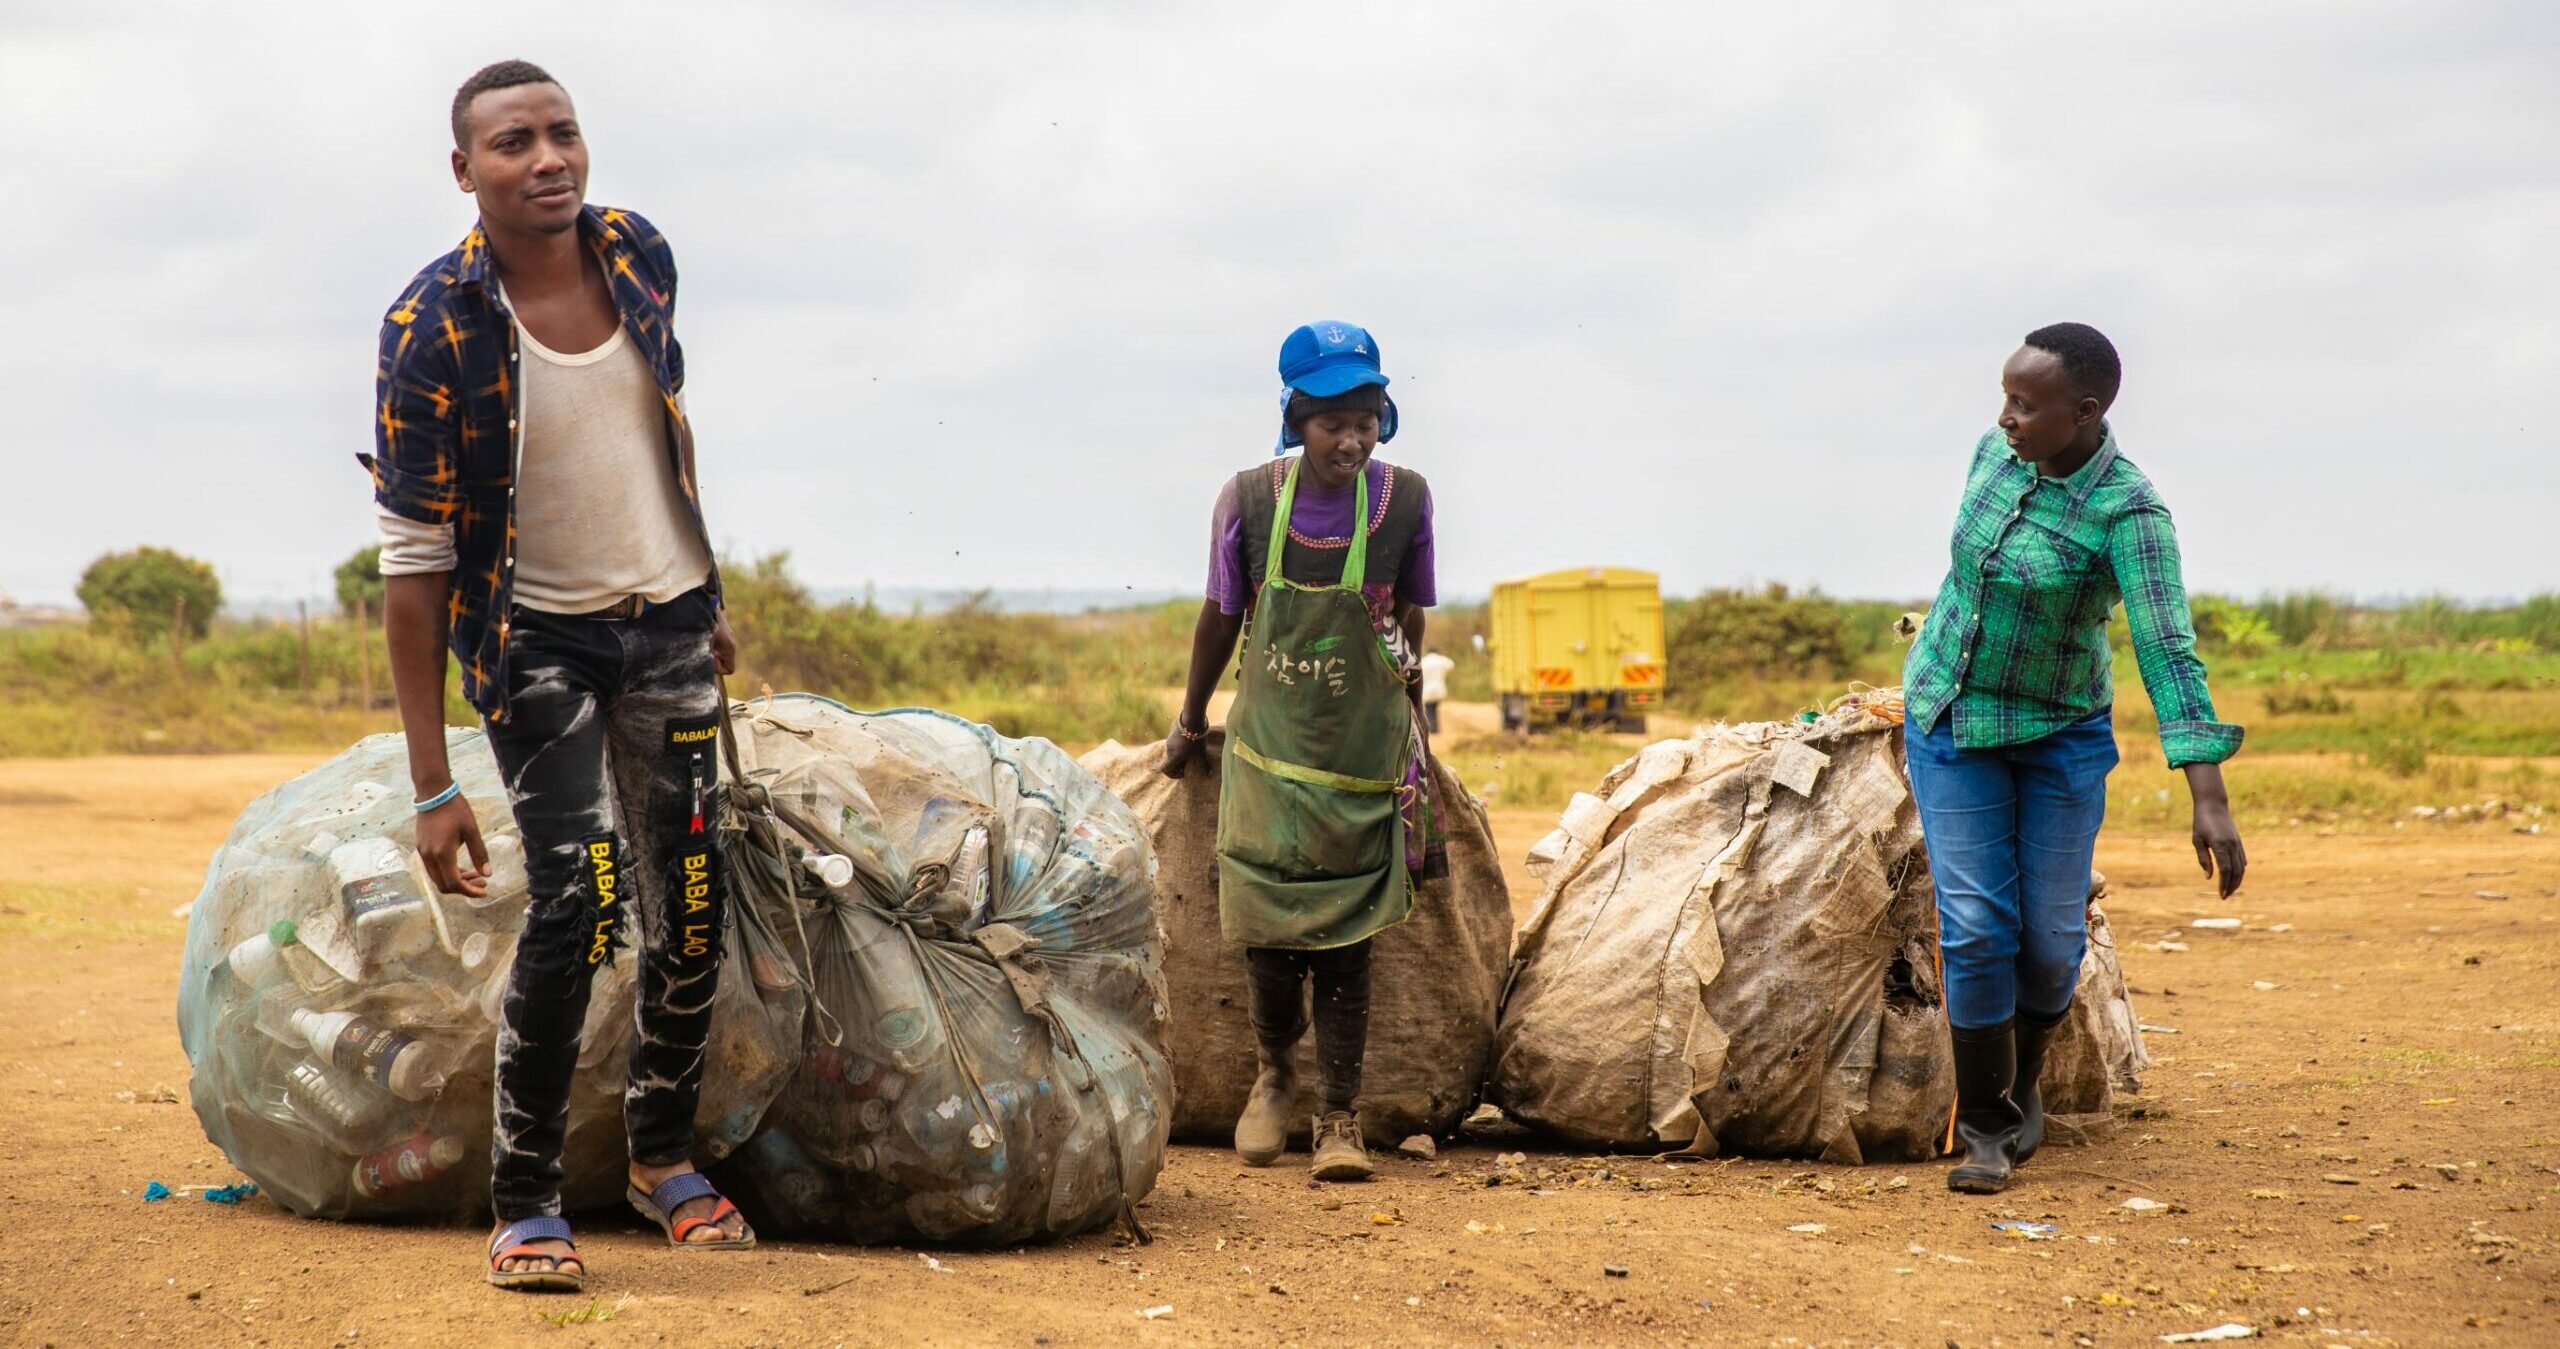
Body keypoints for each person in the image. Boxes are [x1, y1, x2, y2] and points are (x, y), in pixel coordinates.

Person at [366, 59, 754, 1290]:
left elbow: (657, 437)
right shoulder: (431, 324)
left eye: (564, 134)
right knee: (580, 902)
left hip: (671, 625)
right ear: (464, 169)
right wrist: (434, 785)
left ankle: (659, 1156)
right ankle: (526, 1194)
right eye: (514, 142)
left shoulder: (639, 253)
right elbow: (416, 560)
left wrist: (704, 590)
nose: (548, 159)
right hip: (537, 644)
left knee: (692, 899)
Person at [1903, 322, 2247, 1195]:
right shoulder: (1994, 455)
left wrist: (2208, 793)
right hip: (1950, 716)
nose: (2005, 417)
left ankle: (2022, 1083)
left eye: (2027, 403)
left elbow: (2168, 648)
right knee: (1979, 925)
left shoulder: (2128, 513)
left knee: (2052, 942)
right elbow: (1968, 578)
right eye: (2006, 397)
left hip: (2059, 733)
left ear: (2085, 411)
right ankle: (1983, 1125)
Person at [1161, 321, 1441, 1182]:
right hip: (1270, 756)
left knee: (1349, 940)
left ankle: (1341, 1120)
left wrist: (1415, 724)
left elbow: (1409, 620)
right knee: (1269, 932)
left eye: (1366, 417)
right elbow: (1221, 619)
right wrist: (1190, 717)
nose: (1351, 439)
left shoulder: (1406, 499)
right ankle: (1275, 1074)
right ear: (1294, 416)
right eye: (1332, 422)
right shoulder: (1247, 500)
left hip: (1359, 757)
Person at [1418, 647, 1455, 735]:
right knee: (1433, 708)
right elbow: (1451, 665)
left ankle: (1431, 728)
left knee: (1429, 709)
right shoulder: (1440, 660)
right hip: (1439, 688)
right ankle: (1434, 728)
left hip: (1427, 689)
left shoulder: (1424, 661)